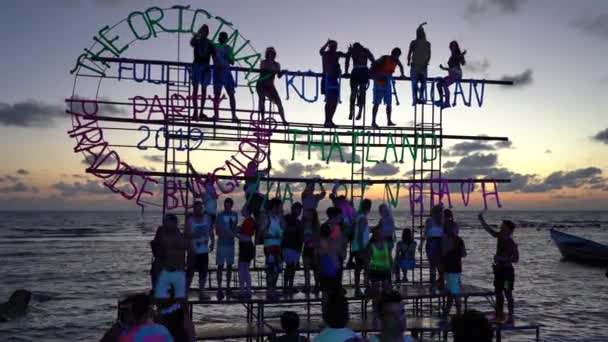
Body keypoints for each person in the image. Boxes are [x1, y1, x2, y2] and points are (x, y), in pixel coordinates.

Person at [478, 212, 519, 323]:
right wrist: (481, 219)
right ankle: (499, 314)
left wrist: (503, 259)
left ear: (509, 230)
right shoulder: (500, 237)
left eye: (503, 226)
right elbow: (489, 230)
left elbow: (516, 259)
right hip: (499, 272)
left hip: (507, 273)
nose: (501, 227)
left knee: (507, 293)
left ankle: (510, 316)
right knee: (498, 293)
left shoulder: (511, 243)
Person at [155, 214, 188, 301]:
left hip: (177, 265)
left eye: (175, 222)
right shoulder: (161, 231)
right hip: (164, 265)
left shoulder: (177, 232)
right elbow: (157, 246)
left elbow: (183, 246)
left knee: (178, 293)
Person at [185, 201, 214, 300]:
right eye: (196, 208)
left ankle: (202, 292)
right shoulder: (190, 220)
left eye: (200, 208)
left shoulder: (207, 218)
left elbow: (211, 231)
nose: (198, 210)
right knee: (190, 272)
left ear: (202, 208)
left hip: (204, 250)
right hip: (193, 251)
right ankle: (185, 292)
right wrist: (192, 239)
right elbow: (186, 235)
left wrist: (213, 242)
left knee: (203, 272)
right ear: (194, 209)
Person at [370, 48, 405, 128]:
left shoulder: (396, 61)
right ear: (392, 53)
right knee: (376, 102)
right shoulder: (385, 58)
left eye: (398, 55)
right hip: (379, 81)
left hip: (387, 82)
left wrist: (402, 74)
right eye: (396, 54)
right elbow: (374, 64)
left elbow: (401, 66)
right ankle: (373, 121)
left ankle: (389, 120)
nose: (397, 56)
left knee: (389, 103)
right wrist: (377, 74)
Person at [190, 24, 216, 121]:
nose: (204, 32)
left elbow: (214, 55)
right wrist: (198, 33)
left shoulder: (209, 43)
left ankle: (200, 112)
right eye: (203, 30)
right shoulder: (197, 41)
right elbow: (192, 42)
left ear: (208, 33)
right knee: (196, 90)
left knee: (203, 91)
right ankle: (195, 112)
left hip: (205, 67)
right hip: (197, 66)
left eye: (206, 31)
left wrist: (214, 66)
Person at [319, 39, 348, 128]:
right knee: (329, 101)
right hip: (327, 78)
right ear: (330, 46)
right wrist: (327, 43)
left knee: (334, 101)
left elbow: (346, 55)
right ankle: (327, 121)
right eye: (332, 45)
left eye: (335, 45)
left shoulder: (337, 53)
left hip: (334, 79)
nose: (334, 47)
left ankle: (329, 120)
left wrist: (350, 51)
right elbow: (321, 51)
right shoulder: (325, 53)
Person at [215, 197, 239, 299]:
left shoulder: (235, 215)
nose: (227, 207)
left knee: (229, 266)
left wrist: (235, 233)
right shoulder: (219, 215)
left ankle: (228, 286)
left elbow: (235, 228)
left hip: (231, 243)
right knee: (220, 266)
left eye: (229, 205)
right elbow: (217, 229)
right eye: (225, 205)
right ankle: (219, 287)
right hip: (221, 243)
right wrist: (225, 233)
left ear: (231, 205)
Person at [262, 197, 286, 299]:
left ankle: (273, 289)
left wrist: (282, 217)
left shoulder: (279, 218)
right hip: (269, 246)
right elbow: (262, 233)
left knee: (277, 269)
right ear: (275, 207)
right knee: (270, 269)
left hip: (278, 246)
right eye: (280, 206)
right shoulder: (267, 217)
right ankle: (270, 290)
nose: (281, 208)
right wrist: (271, 236)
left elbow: (284, 228)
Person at [211, 31, 239, 122]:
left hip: (226, 72)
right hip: (217, 72)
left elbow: (232, 61)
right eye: (221, 36)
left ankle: (234, 116)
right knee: (217, 95)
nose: (223, 38)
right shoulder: (214, 46)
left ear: (226, 39)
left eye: (224, 37)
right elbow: (211, 56)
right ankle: (216, 115)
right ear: (219, 37)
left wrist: (228, 57)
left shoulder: (229, 48)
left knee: (231, 94)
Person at [257, 46, 287, 124]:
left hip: (270, 85)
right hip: (261, 84)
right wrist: (274, 70)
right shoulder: (263, 62)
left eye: (272, 53)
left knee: (279, 102)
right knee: (262, 99)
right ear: (267, 54)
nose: (270, 54)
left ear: (274, 54)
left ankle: (284, 120)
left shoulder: (277, 64)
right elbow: (264, 70)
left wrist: (282, 72)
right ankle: (262, 119)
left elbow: (279, 76)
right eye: (269, 53)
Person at [318, 207, 344, 298]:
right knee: (327, 288)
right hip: (328, 260)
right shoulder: (326, 227)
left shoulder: (337, 227)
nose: (342, 216)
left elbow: (338, 243)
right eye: (340, 215)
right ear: (335, 216)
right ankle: (326, 309)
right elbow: (323, 245)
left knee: (336, 287)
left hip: (336, 259)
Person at [345, 42, 375, 120]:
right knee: (361, 93)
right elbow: (373, 61)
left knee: (354, 93)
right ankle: (359, 112)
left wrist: (346, 72)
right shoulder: (365, 50)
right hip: (363, 71)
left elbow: (347, 62)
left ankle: (352, 111)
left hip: (357, 71)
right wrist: (370, 71)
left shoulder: (353, 51)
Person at [442, 222, 466, 317]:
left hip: (450, 267)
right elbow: (464, 254)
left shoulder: (446, 240)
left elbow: (443, 253)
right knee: (452, 291)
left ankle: (455, 312)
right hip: (456, 267)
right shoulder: (459, 240)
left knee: (453, 292)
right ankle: (450, 311)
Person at [419, 204, 444, 290]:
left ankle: (433, 283)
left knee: (433, 264)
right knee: (439, 264)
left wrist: (421, 244)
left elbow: (425, 233)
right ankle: (440, 282)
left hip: (433, 243)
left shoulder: (431, 221)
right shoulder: (441, 221)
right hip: (439, 243)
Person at [435, 41, 466, 109]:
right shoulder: (452, 56)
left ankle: (447, 102)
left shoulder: (458, 54)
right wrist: (443, 68)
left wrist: (462, 55)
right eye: (452, 46)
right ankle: (441, 100)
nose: (453, 48)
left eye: (454, 46)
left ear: (456, 47)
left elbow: (463, 63)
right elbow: (451, 68)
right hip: (451, 74)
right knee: (439, 84)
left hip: (457, 74)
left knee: (445, 85)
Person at [407, 23, 431, 106]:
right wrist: (408, 60)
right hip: (415, 66)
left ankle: (420, 97)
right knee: (414, 83)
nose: (420, 33)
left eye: (421, 32)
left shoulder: (427, 43)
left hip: (423, 67)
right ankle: (415, 98)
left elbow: (429, 55)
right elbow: (410, 52)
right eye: (419, 32)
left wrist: (426, 63)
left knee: (424, 83)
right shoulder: (413, 42)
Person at [283, 202, 304, 294]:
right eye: (297, 209)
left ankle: (289, 286)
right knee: (290, 267)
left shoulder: (298, 222)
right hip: (288, 246)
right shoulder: (287, 219)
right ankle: (286, 286)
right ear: (293, 209)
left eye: (300, 210)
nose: (299, 212)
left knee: (292, 267)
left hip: (295, 247)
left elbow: (300, 237)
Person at [352, 198, 371, 297]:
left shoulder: (358, 217)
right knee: (365, 268)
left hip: (357, 247)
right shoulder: (363, 218)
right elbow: (360, 234)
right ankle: (363, 287)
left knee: (359, 269)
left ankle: (358, 288)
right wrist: (362, 249)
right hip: (361, 247)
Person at [367, 226, 392, 297]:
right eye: (377, 234)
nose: (379, 235)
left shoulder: (387, 244)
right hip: (375, 271)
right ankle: (375, 306)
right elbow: (367, 261)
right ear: (374, 235)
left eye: (380, 233)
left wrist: (392, 269)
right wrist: (367, 275)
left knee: (387, 292)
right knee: (375, 293)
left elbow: (390, 258)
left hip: (386, 270)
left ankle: (384, 306)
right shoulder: (371, 246)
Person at [237, 205, 256, 298]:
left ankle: (242, 291)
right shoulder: (249, 221)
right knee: (245, 270)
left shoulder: (248, 221)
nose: (242, 211)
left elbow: (244, 234)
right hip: (247, 246)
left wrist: (234, 233)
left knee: (242, 270)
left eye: (244, 209)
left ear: (247, 211)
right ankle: (247, 290)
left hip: (245, 246)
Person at [302, 208, 321, 293]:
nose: (308, 215)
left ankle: (317, 285)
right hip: (306, 248)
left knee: (315, 269)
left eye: (310, 214)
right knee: (306, 268)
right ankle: (307, 285)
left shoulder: (316, 225)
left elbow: (318, 238)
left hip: (314, 249)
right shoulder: (305, 224)